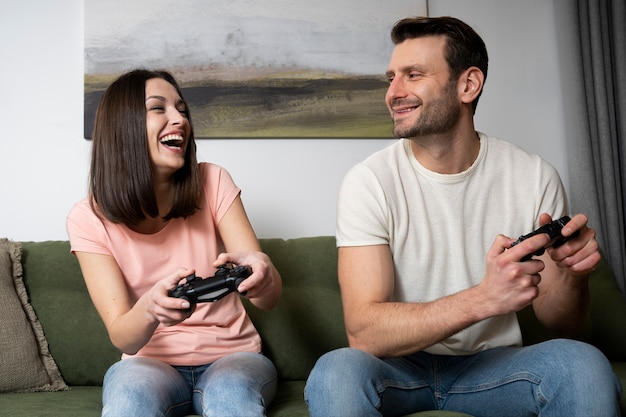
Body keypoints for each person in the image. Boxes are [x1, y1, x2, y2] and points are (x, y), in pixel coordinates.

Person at [305, 16, 622, 417]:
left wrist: (572, 278)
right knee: (336, 371)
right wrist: (483, 299)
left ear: (468, 85)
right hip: (399, 370)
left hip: (495, 368)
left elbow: (561, 322)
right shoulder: (369, 181)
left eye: (413, 75)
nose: (393, 92)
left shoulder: (533, 175)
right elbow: (364, 331)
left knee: (584, 364)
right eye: (391, 78)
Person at [67, 69, 282, 417]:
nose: (179, 119)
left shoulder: (212, 181)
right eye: (158, 108)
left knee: (231, 400)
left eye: (181, 109)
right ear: (124, 127)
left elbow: (268, 299)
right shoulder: (87, 218)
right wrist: (150, 307)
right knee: (128, 405)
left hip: (232, 356)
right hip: (147, 363)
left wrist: (264, 272)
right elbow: (124, 337)